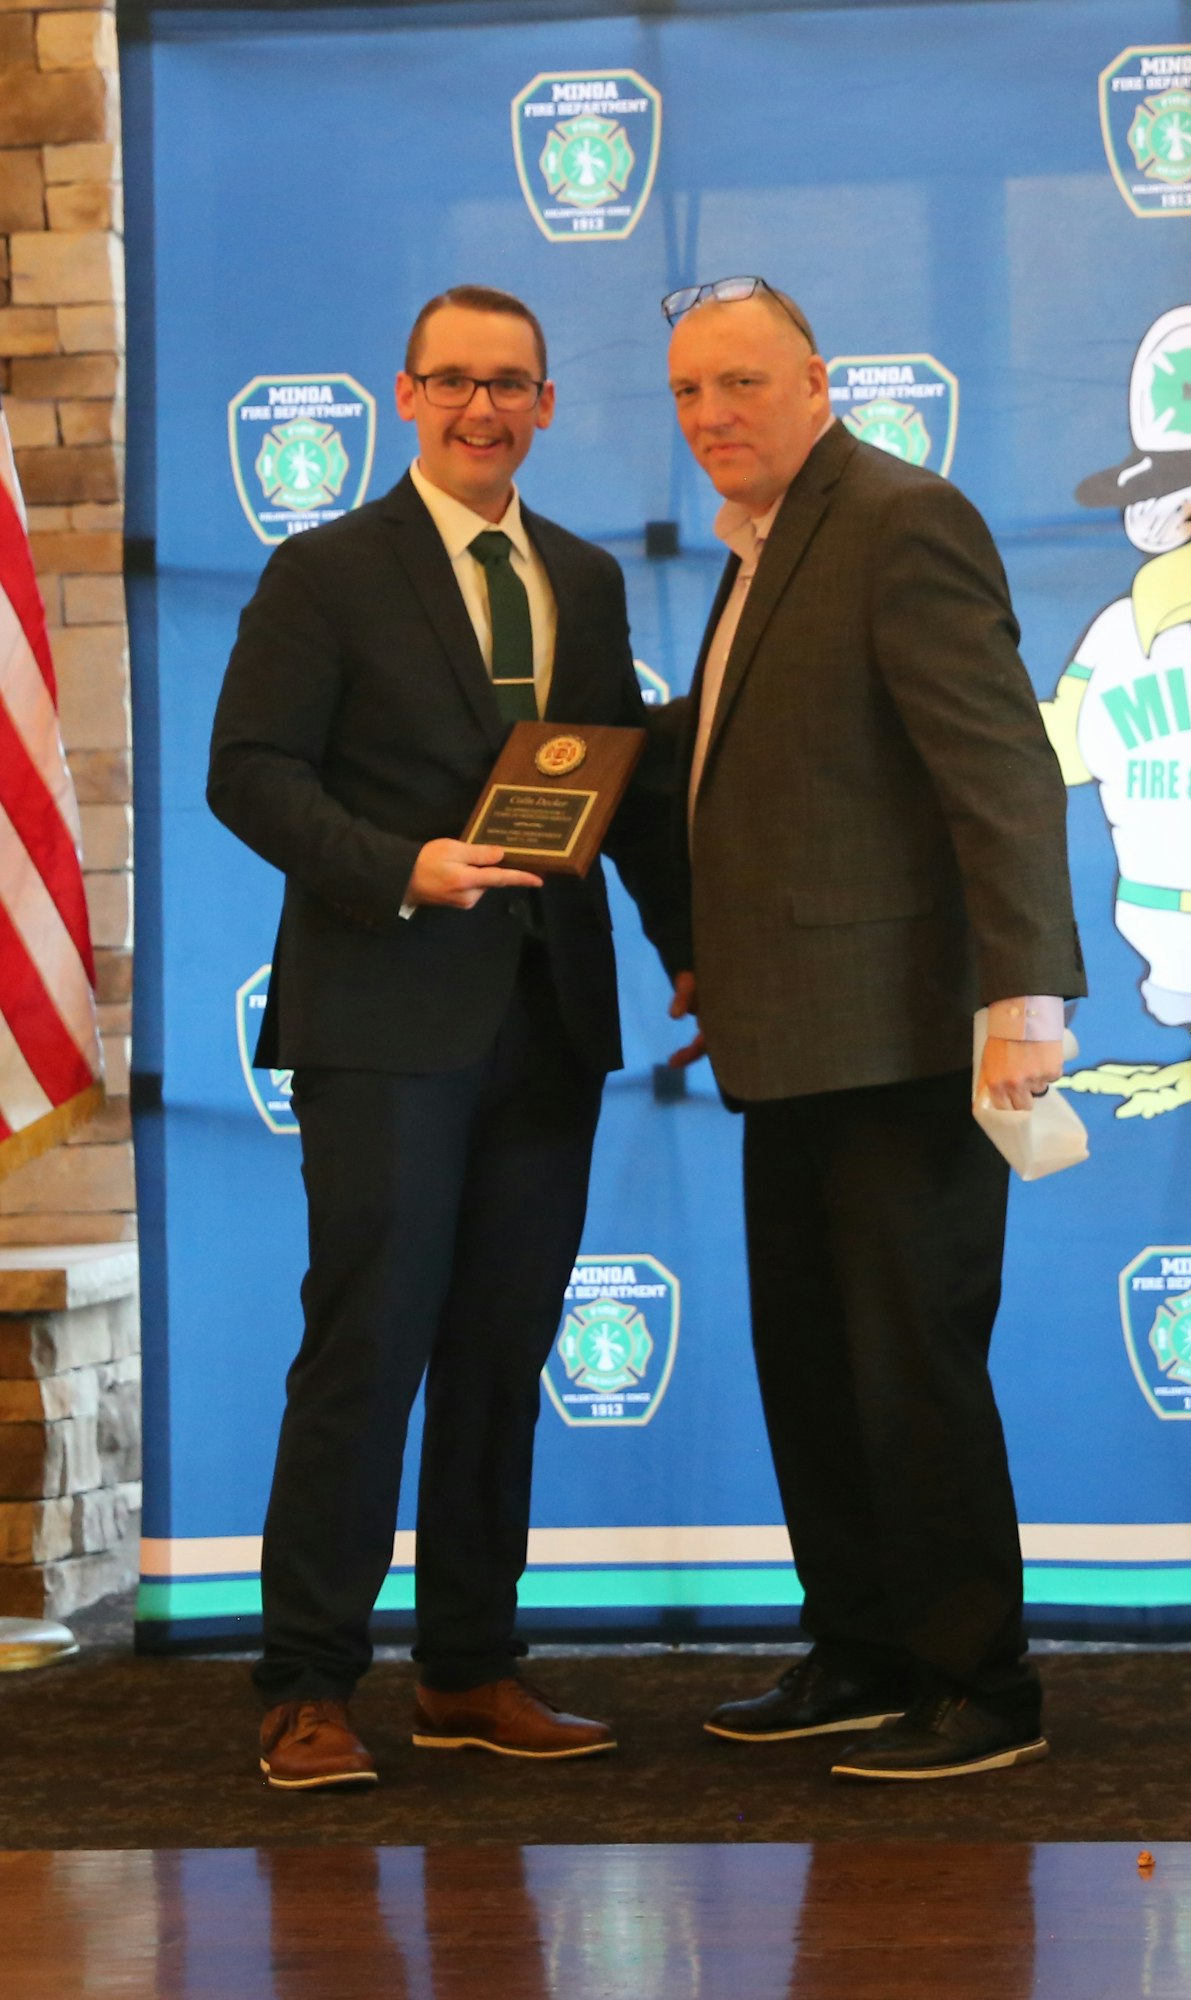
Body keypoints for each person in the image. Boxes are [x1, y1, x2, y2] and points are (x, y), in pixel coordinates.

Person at [209, 284, 684, 1789]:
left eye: (514, 385)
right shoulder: (322, 571)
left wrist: (695, 953)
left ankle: (471, 1669)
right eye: (456, 382)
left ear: (547, 405)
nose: (485, 409)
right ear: (404, 396)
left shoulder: (587, 580)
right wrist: (388, 867)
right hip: (384, 1015)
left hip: (545, 1023)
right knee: (368, 1346)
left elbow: (620, 792)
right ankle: (306, 1687)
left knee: (498, 1355)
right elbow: (249, 773)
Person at [660, 276, 1085, 1780]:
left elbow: (1000, 771)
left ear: (816, 379)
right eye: (688, 394)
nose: (712, 416)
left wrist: (1023, 998)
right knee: (817, 1367)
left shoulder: (899, 517)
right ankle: (860, 1650)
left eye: (741, 384)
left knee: (909, 1370)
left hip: (912, 1039)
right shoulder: (764, 542)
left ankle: (981, 1687)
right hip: (793, 1040)